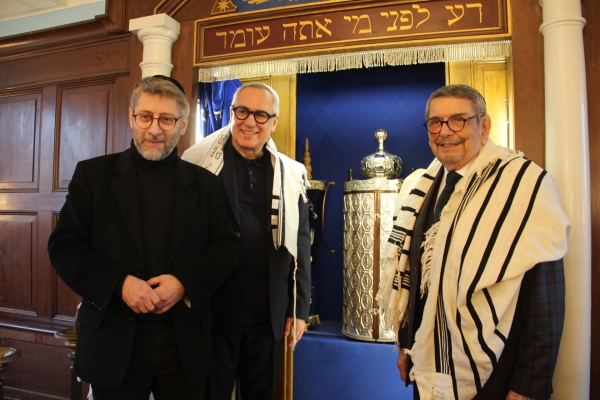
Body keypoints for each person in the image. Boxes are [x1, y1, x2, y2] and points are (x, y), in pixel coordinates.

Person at [48, 75, 239, 400]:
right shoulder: (93, 176)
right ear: (131, 117)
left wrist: (183, 283)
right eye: (146, 117)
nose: (155, 129)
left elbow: (226, 246)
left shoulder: (206, 184)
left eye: (167, 119)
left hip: (184, 343)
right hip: (114, 339)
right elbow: (65, 246)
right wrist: (119, 283)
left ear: (182, 124)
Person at [377, 84, 570, 400]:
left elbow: (544, 296)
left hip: (494, 368)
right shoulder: (422, 186)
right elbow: (416, 280)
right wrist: (407, 345)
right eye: (435, 123)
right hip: (429, 363)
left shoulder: (523, 184)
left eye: (458, 120)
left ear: (484, 125)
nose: (445, 132)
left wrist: (528, 386)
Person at [182, 82, 311, 400]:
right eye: (242, 111)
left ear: (274, 121)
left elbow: (301, 243)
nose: (250, 121)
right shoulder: (196, 163)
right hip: (212, 312)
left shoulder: (292, 174)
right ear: (231, 113)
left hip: (267, 315)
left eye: (260, 114)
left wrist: (300, 309)